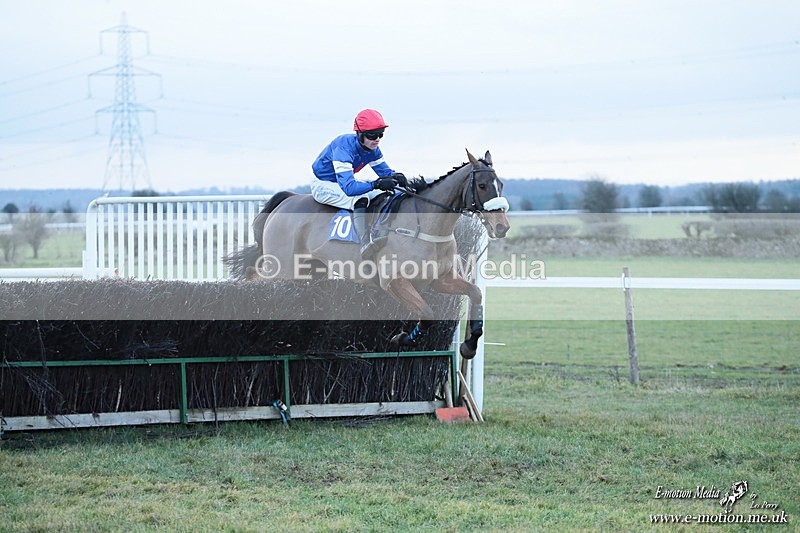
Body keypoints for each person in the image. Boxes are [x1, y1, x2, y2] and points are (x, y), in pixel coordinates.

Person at [311, 109, 407, 257]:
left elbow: (385, 173)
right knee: (359, 198)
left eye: (381, 133)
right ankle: (365, 244)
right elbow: (349, 189)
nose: (377, 139)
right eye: (372, 135)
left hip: (341, 182)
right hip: (323, 184)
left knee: (386, 192)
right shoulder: (343, 148)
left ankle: (382, 232)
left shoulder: (372, 148)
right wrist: (376, 184)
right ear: (360, 134)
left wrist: (396, 177)